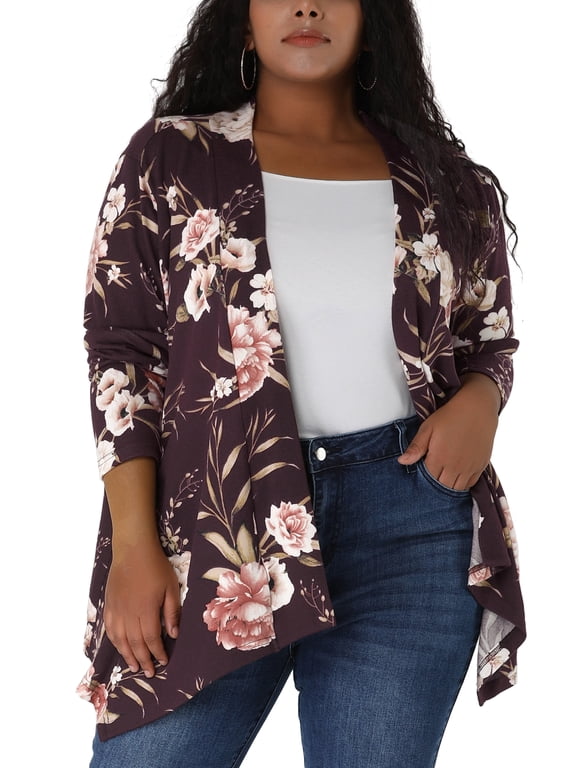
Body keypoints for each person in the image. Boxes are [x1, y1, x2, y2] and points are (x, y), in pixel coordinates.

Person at [78, 1, 525, 766]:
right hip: (216, 526)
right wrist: (133, 547)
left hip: (411, 526)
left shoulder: (446, 180)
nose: (307, 4)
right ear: (242, 18)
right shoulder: (172, 157)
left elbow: (489, 337)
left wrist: (481, 400)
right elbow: (121, 351)